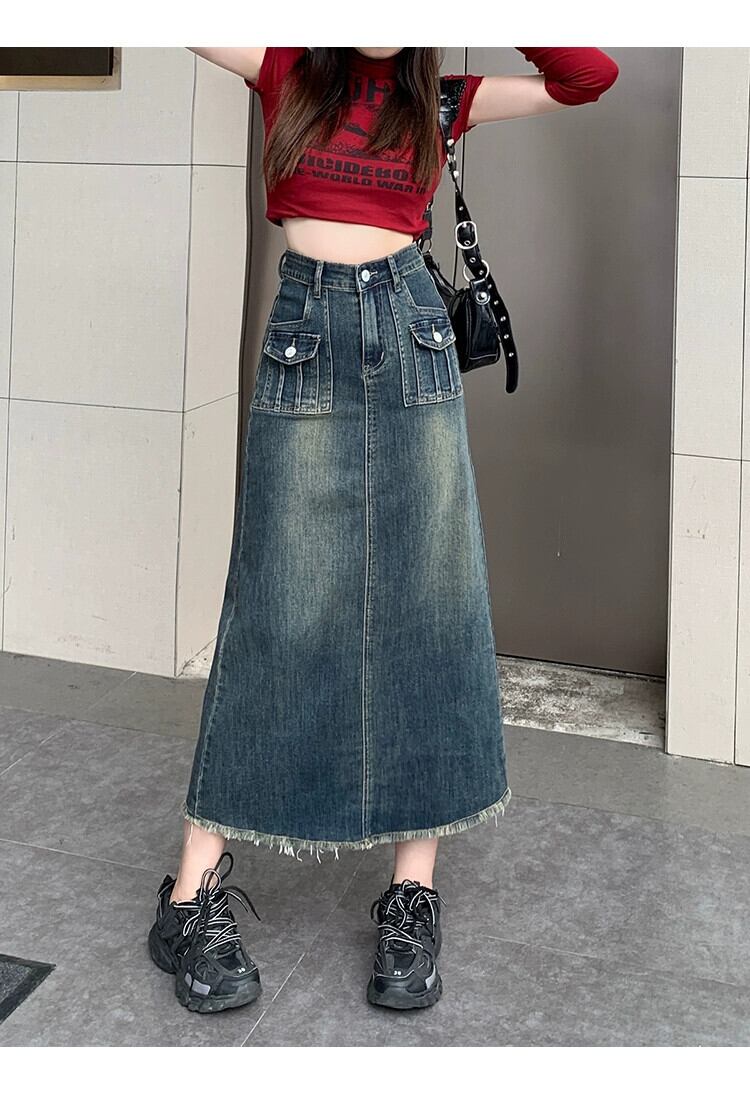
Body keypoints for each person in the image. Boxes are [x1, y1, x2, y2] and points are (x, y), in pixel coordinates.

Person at [148, 45, 619, 1015]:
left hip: (412, 338)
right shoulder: (284, 66)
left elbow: (589, 77)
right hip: (307, 339)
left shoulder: (443, 97)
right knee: (274, 612)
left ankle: (413, 894)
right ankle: (188, 897)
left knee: (429, 608)